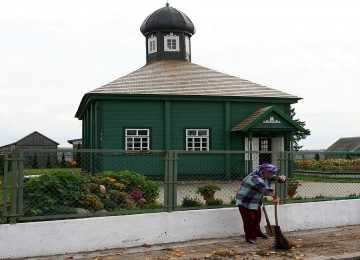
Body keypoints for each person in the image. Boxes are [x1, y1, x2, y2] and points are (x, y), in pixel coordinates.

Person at [235, 163, 286, 244]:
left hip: (255, 201)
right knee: (249, 220)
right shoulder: (254, 177)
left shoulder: (266, 175)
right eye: (271, 173)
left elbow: (276, 178)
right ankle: (250, 237)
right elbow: (264, 189)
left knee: (257, 219)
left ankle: (257, 233)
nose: (272, 175)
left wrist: (281, 178)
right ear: (265, 172)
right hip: (245, 201)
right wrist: (275, 197)